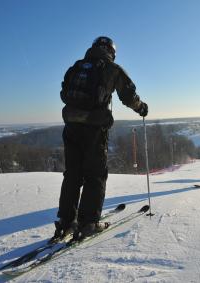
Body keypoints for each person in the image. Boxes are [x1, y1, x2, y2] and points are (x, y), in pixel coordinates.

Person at [52, 36, 148, 242]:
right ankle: (88, 223)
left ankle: (66, 222)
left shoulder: (76, 67)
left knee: (72, 175)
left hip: (71, 127)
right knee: (95, 175)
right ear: (111, 51)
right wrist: (141, 108)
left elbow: (63, 93)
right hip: (94, 129)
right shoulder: (111, 69)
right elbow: (128, 95)